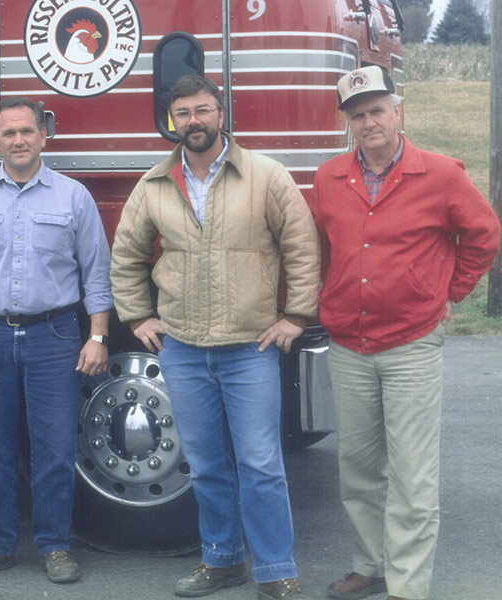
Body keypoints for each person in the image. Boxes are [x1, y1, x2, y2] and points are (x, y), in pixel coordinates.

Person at [110, 75, 319, 599]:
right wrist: (138, 318)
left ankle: (275, 571)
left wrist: (295, 316)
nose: (194, 121)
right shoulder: (154, 184)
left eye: (203, 110)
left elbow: (302, 245)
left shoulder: (265, 175)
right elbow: (127, 256)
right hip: (181, 347)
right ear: (172, 122)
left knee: (261, 464)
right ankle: (223, 561)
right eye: (183, 113)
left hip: (250, 347)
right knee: (205, 466)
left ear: (221, 115)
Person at [310, 66, 501, 600]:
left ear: (398, 112)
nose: (368, 122)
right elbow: (321, 246)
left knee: (414, 477)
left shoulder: (440, 174)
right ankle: (371, 566)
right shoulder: (329, 178)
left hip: (411, 345)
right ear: (347, 122)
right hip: (348, 345)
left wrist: (448, 292)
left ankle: (408, 587)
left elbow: (484, 234)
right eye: (357, 114)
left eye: (377, 111)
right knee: (358, 470)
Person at [0, 96, 113, 584]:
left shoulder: (73, 197)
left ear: (43, 136)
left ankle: (55, 546)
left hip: (54, 334)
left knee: (54, 448)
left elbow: (98, 274)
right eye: (8, 133)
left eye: (26, 132)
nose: (18, 140)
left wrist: (97, 335)